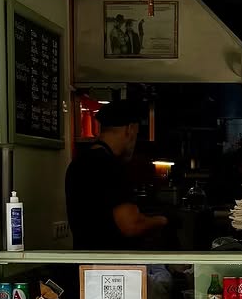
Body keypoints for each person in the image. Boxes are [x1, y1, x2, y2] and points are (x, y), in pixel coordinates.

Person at [65, 100, 168, 250]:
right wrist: (161, 220)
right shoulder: (110, 166)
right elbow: (131, 225)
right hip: (110, 261)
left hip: (84, 260)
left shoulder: (77, 164)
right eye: (136, 134)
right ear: (130, 129)